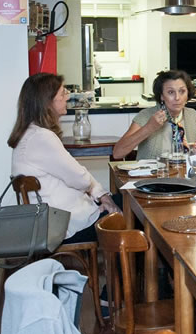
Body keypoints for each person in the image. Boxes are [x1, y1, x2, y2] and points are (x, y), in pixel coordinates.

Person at [9, 73, 120, 243]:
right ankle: (130, 260)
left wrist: (101, 195)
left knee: (121, 202)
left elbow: (78, 174)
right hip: (62, 227)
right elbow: (81, 178)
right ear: (47, 102)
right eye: (62, 94)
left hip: (49, 223)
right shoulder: (42, 138)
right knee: (132, 206)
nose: (67, 97)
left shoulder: (29, 135)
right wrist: (102, 197)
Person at [112, 70, 196, 161]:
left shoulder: (192, 116)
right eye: (171, 92)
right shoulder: (145, 115)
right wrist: (149, 127)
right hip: (152, 172)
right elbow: (117, 153)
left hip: (183, 171)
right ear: (161, 96)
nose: (177, 98)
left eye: (182, 91)